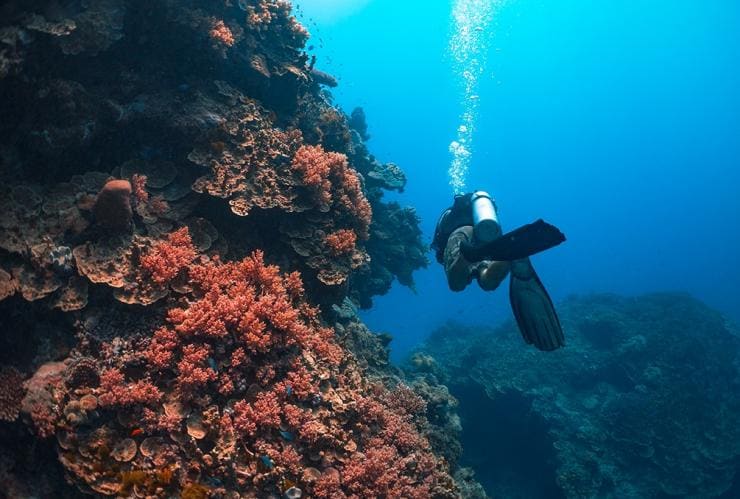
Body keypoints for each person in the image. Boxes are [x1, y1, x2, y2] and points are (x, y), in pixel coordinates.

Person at [432, 191, 566, 351]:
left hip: (460, 235)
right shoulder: (472, 213)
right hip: (486, 235)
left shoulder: (450, 216)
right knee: (487, 281)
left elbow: (440, 241)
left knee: (457, 284)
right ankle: (512, 255)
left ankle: (469, 255)